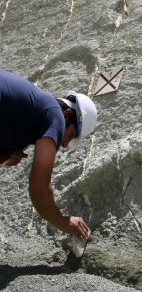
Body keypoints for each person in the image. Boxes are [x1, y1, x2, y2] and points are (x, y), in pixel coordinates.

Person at [0, 70, 97, 242]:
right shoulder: (55, 117)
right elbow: (39, 189)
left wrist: (6, 155)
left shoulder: (35, 115)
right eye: (72, 134)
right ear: (67, 114)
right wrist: (64, 222)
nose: (65, 143)